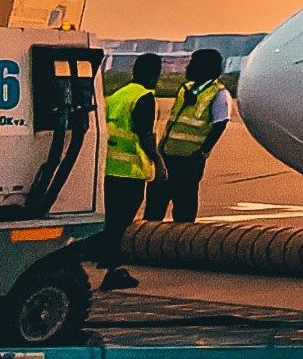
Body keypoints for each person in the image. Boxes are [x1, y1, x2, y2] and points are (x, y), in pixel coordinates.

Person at [95, 55, 161, 287]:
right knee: (120, 223)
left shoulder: (117, 95)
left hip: (109, 169)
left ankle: (104, 261)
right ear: (156, 75)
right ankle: (113, 270)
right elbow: (145, 136)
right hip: (129, 172)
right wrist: (159, 164)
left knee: (110, 220)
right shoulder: (144, 97)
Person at [152, 47, 234, 225]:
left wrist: (204, 152)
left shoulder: (219, 93)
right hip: (168, 154)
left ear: (206, 69)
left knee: (184, 207)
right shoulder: (185, 89)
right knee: (156, 203)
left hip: (189, 159)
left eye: (193, 64)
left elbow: (220, 124)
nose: (188, 68)